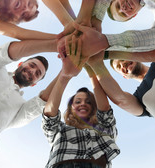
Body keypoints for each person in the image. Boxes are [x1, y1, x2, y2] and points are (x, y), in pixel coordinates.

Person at [88, 47, 155, 168]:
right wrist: (95, 64)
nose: (123, 64)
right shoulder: (140, 99)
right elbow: (120, 99)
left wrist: (107, 54)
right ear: (124, 76)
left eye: (122, 59)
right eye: (119, 67)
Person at [0, 36, 61, 168]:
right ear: (20, 63)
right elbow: (7, 52)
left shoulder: (20, 107)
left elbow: (42, 102)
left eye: (37, 74)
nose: (32, 71)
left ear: (34, 84)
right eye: (31, 65)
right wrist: (56, 45)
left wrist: (65, 72)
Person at [42, 36, 120, 168]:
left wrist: (90, 65)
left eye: (89, 102)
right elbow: (49, 115)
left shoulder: (104, 129)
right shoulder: (60, 130)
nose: (83, 103)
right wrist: (65, 75)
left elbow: (105, 110)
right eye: (77, 101)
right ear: (71, 107)